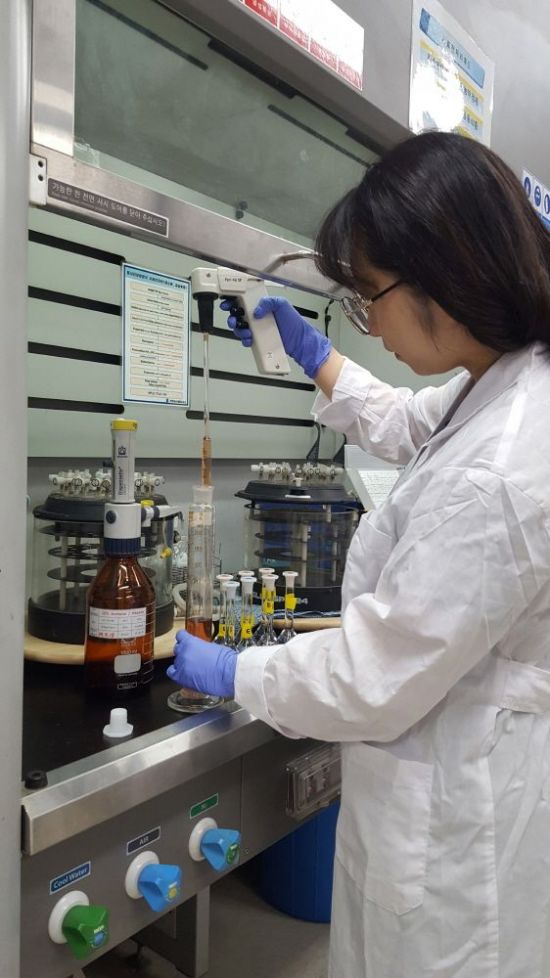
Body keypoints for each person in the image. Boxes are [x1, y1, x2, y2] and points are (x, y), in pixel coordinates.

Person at [167, 131, 550, 978]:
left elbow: (373, 676)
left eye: (368, 296)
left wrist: (237, 672)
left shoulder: (498, 475)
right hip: (463, 769)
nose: (367, 321)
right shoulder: (508, 379)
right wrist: (318, 359)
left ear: (448, 278)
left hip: (457, 819)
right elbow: (417, 424)